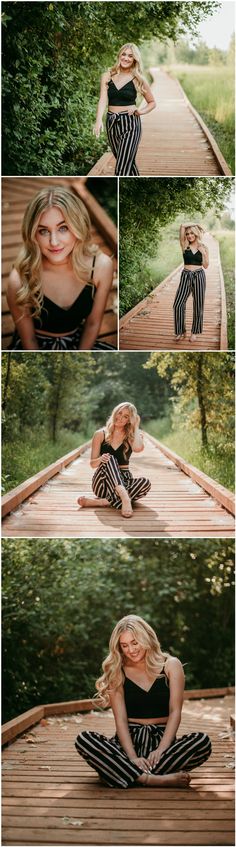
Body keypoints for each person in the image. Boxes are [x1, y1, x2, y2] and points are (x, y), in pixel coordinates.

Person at [75, 614, 212, 788]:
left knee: (202, 741)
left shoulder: (171, 665)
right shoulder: (117, 670)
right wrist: (132, 757)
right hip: (127, 743)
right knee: (84, 739)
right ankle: (150, 778)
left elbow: (175, 712)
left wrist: (162, 749)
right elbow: (121, 720)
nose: (131, 650)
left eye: (135, 642)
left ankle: (121, 772)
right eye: (124, 645)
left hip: (163, 743)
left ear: (146, 638)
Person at [7, 185, 114, 350]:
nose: (54, 242)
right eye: (43, 231)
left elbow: (93, 323)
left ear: (78, 227)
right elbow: (29, 341)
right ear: (32, 234)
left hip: (79, 342)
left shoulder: (100, 266)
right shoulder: (20, 279)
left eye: (63, 228)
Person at [77, 402, 151, 518]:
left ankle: (101, 502)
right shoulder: (100, 434)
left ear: (129, 420)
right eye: (120, 413)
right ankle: (124, 497)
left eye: (126, 416)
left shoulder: (132, 436)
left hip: (124, 478)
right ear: (115, 412)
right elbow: (92, 464)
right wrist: (101, 459)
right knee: (109, 458)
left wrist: (136, 426)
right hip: (103, 483)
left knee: (145, 483)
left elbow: (138, 448)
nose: (120, 418)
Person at [93, 43, 156, 176]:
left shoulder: (138, 79)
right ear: (119, 55)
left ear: (135, 59)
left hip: (131, 124)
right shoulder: (107, 75)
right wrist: (98, 120)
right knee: (127, 163)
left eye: (130, 56)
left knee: (122, 168)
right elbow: (103, 100)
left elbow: (152, 102)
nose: (126, 58)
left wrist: (140, 111)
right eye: (124, 54)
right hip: (111, 123)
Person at [173, 224, 209, 342]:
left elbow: (206, 266)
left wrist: (203, 253)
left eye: (192, 233)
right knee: (178, 304)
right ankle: (180, 331)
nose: (189, 236)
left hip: (199, 275)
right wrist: (197, 225)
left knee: (198, 305)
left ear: (196, 234)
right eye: (187, 234)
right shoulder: (184, 245)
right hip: (185, 275)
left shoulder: (203, 246)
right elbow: (182, 226)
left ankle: (195, 332)